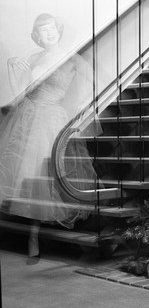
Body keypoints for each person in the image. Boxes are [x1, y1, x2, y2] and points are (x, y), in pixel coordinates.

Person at [0, 13, 98, 261]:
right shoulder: (34, 58)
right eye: (44, 30)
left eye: (52, 27)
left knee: (43, 179)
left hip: (52, 119)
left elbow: (94, 83)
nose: (50, 32)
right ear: (38, 37)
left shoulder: (73, 58)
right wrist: (12, 66)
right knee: (28, 178)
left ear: (59, 30)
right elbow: (19, 92)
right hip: (27, 117)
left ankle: (35, 237)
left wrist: (81, 107)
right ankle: (32, 237)